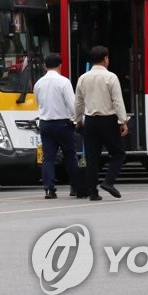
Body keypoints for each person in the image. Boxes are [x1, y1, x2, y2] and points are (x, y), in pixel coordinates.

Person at [75, 45, 128, 201]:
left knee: (92, 158)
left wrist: (78, 120)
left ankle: (93, 192)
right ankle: (108, 182)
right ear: (105, 59)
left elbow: (78, 102)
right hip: (108, 120)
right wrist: (123, 121)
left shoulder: (83, 78)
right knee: (118, 153)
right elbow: (117, 101)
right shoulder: (111, 77)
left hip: (90, 121)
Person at [33, 53, 83, 200]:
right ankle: (74, 186)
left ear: (44, 66)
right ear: (60, 65)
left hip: (45, 124)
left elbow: (39, 104)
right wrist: (79, 119)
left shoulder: (38, 83)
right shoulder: (64, 82)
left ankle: (49, 189)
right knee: (70, 156)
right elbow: (72, 104)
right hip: (62, 123)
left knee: (48, 158)